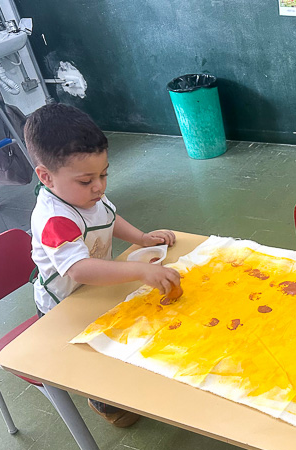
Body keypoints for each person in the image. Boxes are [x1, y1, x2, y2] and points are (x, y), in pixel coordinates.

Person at [25, 103, 180, 427]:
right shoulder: (54, 217)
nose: (99, 187)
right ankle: (104, 403)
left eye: (104, 174)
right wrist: (141, 270)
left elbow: (109, 218)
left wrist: (142, 238)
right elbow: (79, 269)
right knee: (94, 360)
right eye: (86, 180)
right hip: (64, 305)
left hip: (96, 287)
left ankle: (124, 384)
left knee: (120, 337)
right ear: (46, 176)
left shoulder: (87, 195)